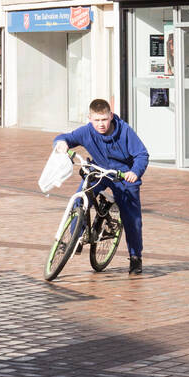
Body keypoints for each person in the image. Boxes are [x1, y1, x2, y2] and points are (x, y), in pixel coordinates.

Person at [53, 99, 150, 274]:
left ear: (111, 116)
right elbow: (66, 137)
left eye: (104, 119)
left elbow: (142, 154)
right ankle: (77, 238)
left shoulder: (125, 131)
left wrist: (135, 172)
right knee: (79, 200)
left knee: (132, 218)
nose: (101, 124)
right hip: (98, 170)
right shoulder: (86, 131)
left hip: (123, 175)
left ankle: (135, 257)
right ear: (90, 118)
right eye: (97, 120)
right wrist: (61, 143)